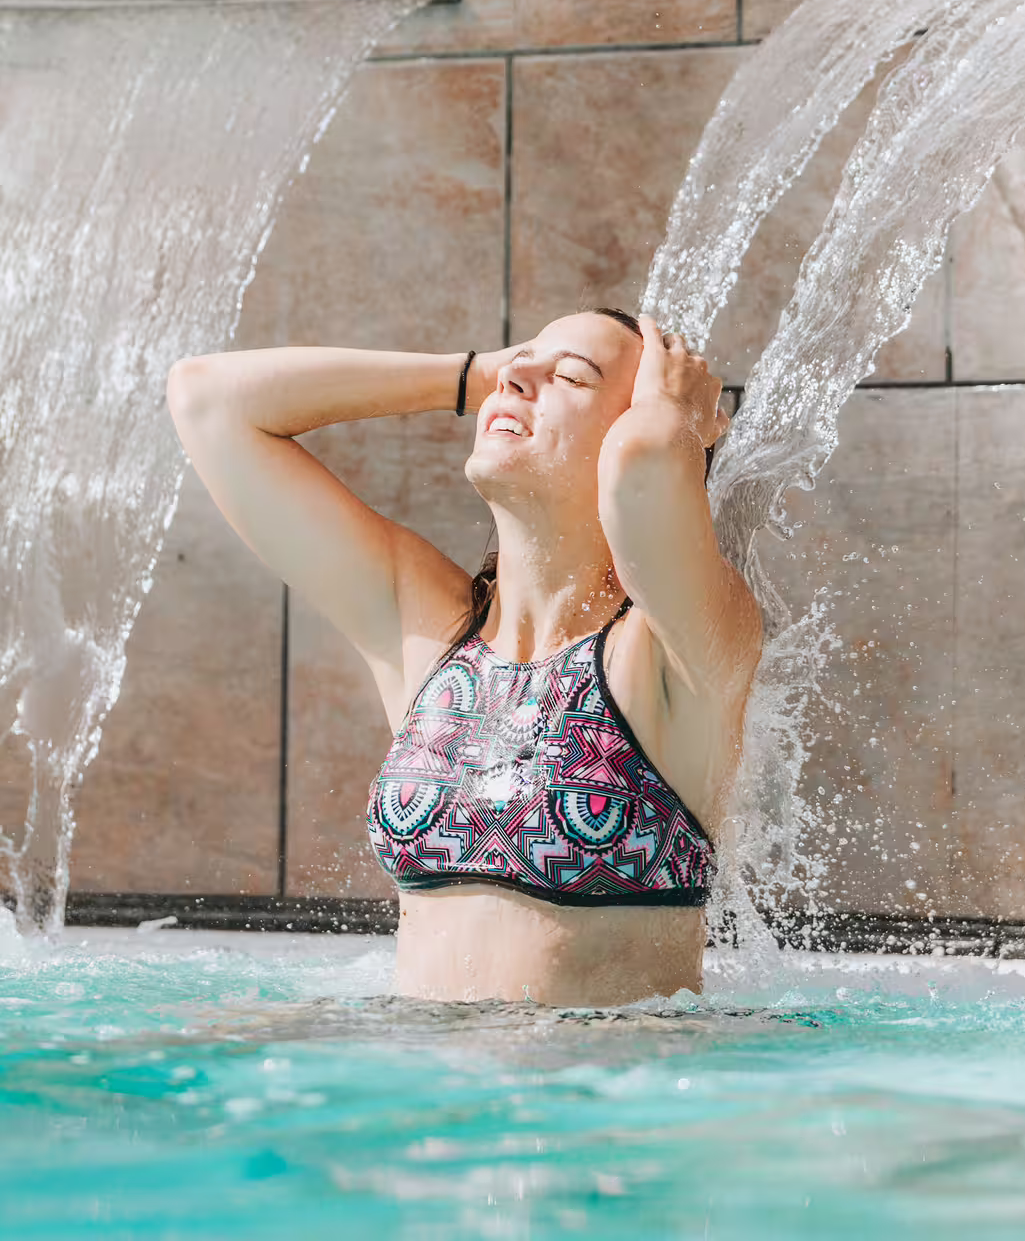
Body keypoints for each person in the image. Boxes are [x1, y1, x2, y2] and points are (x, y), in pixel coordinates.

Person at [166, 309, 763, 1006]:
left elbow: (644, 469)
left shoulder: (676, 649)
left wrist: (677, 416)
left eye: (572, 377)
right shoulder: (432, 635)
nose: (521, 376)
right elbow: (209, 400)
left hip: (603, 1075)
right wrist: (478, 374)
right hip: (418, 1069)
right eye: (521, 362)